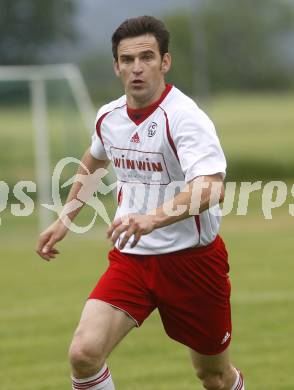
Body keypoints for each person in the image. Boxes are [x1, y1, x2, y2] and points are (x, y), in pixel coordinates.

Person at [36, 15, 245, 390]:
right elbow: (95, 160)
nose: (137, 68)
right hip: (132, 259)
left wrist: (153, 218)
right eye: (127, 60)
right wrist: (64, 220)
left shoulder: (185, 118)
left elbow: (211, 188)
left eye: (147, 57)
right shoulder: (109, 117)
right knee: (84, 353)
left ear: (165, 62)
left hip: (193, 263)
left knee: (213, 376)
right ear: (116, 66)